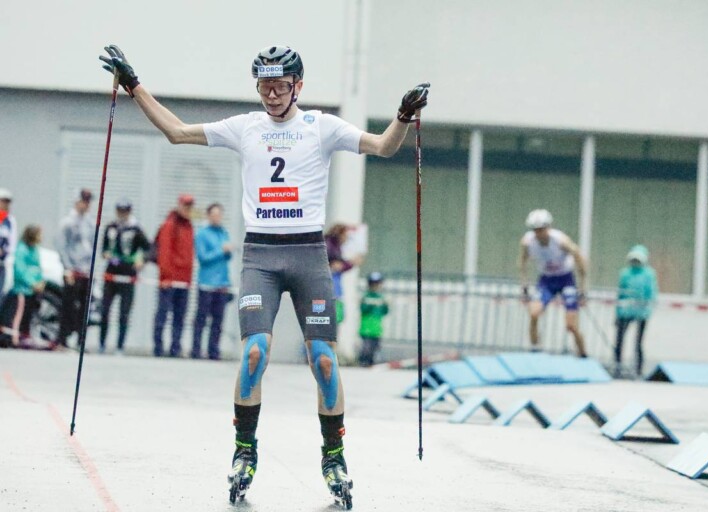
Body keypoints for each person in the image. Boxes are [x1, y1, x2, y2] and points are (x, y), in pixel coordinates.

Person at [99, 43, 428, 505]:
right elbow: (176, 132)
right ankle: (244, 451)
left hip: (309, 255)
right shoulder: (245, 127)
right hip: (261, 257)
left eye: (279, 87)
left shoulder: (320, 126)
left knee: (325, 361)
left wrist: (403, 115)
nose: (271, 95)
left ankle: (334, 457)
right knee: (255, 352)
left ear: (298, 87)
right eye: (264, 87)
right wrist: (133, 86)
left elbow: (383, 147)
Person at [518, 209, 589, 357]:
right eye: (535, 230)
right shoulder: (527, 242)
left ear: (548, 228)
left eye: (542, 230)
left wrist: (582, 288)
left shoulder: (560, 241)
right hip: (546, 280)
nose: (539, 234)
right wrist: (524, 285)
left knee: (570, 325)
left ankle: (582, 352)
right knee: (534, 313)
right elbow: (522, 262)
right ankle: (535, 348)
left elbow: (579, 258)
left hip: (566, 279)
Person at [99, 199, 151, 355]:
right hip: (111, 271)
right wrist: (106, 253)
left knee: (124, 312)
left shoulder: (136, 229)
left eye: (125, 211)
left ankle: (120, 346)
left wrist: (142, 260)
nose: (122, 214)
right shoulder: (111, 227)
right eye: (119, 211)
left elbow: (149, 248)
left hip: (128, 273)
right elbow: (103, 248)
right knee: (105, 310)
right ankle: (102, 343)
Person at [153, 194, 195, 357]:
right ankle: (158, 347)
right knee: (162, 314)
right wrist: (165, 276)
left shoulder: (189, 227)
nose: (187, 209)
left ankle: (175, 347)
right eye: (185, 206)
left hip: (184, 280)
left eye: (190, 206)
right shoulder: (170, 225)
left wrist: (189, 279)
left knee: (180, 316)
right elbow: (164, 252)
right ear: (179, 205)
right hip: (169, 280)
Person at [55, 188, 95, 349]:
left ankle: (81, 340)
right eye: (83, 201)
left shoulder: (90, 223)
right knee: (68, 305)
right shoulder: (67, 222)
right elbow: (62, 246)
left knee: (84, 308)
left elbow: (91, 247)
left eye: (88, 202)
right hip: (73, 270)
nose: (86, 205)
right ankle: (63, 339)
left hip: (86, 270)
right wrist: (67, 268)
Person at [192, 203, 233, 360]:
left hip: (222, 283)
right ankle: (196, 350)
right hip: (206, 283)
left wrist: (227, 252)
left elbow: (228, 258)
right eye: (214, 214)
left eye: (219, 214)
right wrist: (221, 250)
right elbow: (203, 257)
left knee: (218, 321)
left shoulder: (223, 232)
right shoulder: (202, 234)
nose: (217, 218)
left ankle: (213, 351)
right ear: (208, 215)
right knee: (201, 319)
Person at [614, 245, 658, 377]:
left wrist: (648, 309)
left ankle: (638, 369)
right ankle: (617, 365)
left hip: (642, 311)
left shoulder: (649, 274)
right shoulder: (625, 273)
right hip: (625, 311)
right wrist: (617, 312)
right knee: (619, 340)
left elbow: (652, 292)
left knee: (638, 342)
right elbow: (621, 293)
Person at [0, 225, 45, 348]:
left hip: (32, 291)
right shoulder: (21, 249)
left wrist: (40, 281)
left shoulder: (35, 249)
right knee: (18, 315)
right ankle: (13, 338)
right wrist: (32, 283)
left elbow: (37, 268)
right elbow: (20, 270)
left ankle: (25, 336)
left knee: (28, 315)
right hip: (22, 290)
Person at [325, 224, 364, 324]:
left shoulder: (335, 248)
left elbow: (340, 265)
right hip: (328, 292)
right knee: (327, 321)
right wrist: (351, 263)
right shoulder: (329, 247)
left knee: (336, 319)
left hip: (334, 291)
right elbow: (337, 265)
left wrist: (350, 263)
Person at [358, 272, 389, 367]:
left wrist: (385, 305)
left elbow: (385, 312)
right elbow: (363, 309)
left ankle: (371, 362)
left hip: (376, 327)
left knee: (375, 346)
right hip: (366, 326)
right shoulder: (366, 296)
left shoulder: (381, 298)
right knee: (367, 346)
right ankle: (363, 361)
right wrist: (371, 305)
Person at [0, 188, 18, 311]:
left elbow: (12, 242)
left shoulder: (10, 221)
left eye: (7, 202)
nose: (5, 205)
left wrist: (6, 253)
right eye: (3, 201)